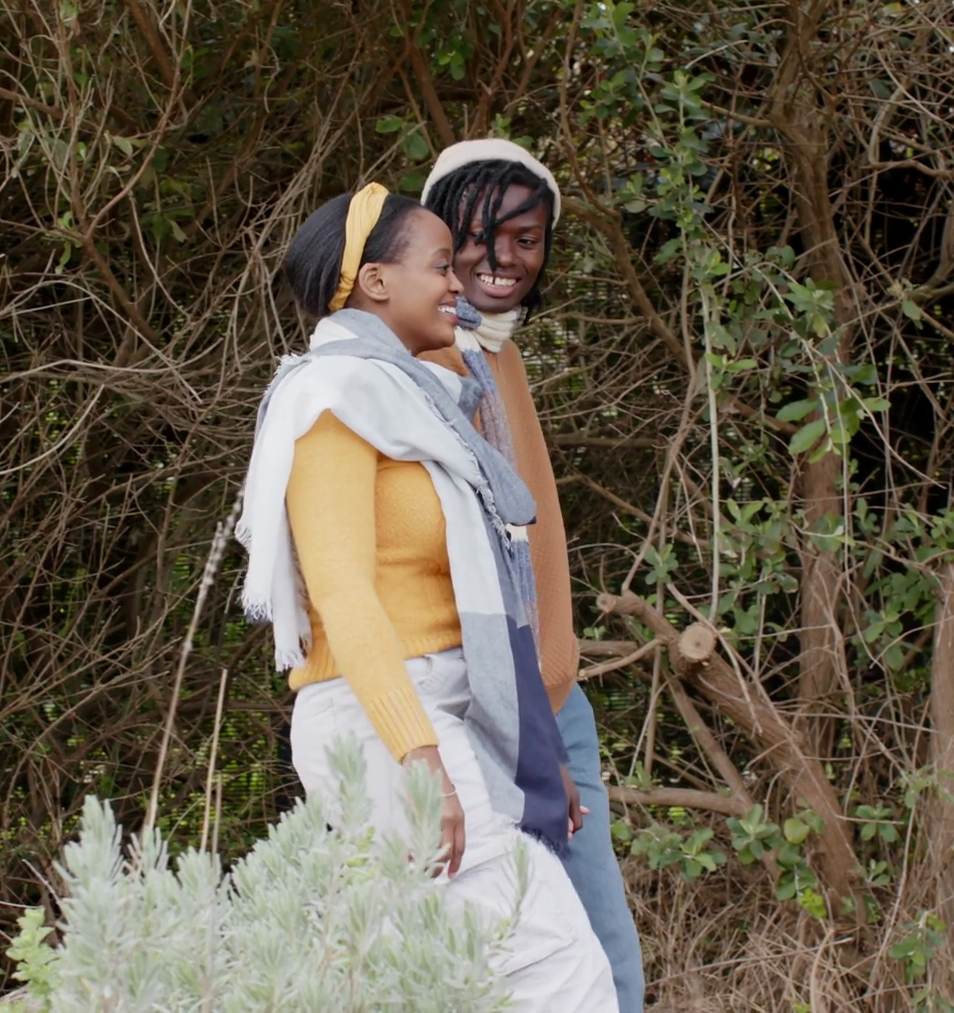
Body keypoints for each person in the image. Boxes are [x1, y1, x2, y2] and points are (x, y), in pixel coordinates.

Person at [238, 182, 617, 1011]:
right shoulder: (329, 401)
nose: (459, 282)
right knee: (561, 974)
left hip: (447, 713)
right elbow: (343, 593)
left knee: (463, 984)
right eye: (441, 264)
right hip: (383, 721)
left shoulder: (416, 402)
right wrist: (419, 758)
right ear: (376, 281)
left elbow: (475, 599)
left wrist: (532, 746)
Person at [421, 139, 647, 1012]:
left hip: (551, 699)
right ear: (439, 235)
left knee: (595, 959)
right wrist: (527, 737)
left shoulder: (496, 352)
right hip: (493, 708)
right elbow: (470, 570)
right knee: (575, 968)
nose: (504, 257)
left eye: (528, 238)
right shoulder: (430, 365)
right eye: (482, 234)